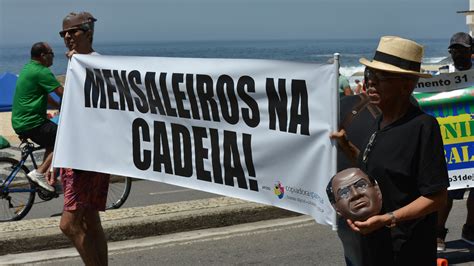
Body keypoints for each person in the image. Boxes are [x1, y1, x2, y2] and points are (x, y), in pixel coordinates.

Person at [332, 36, 449, 265]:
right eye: (369, 75)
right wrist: (346, 147)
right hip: (374, 245)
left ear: (407, 85)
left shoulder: (422, 126)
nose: (370, 83)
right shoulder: (379, 123)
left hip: (407, 250)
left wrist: (388, 219)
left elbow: (437, 197)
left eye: (380, 77)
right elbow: (376, 169)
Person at [57, 11, 110, 266]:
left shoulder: (94, 64)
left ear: (88, 33)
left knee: (68, 224)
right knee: (91, 221)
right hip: (79, 153)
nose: (68, 37)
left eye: (74, 31)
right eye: (64, 33)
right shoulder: (76, 64)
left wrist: (79, 64)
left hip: (86, 156)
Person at [436, 32, 474, 251]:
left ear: (471, 51)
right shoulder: (443, 74)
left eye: (462, 49)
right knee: (446, 192)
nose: (457, 53)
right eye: (454, 50)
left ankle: (470, 229)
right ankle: (438, 233)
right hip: (450, 143)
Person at [11, 42, 63, 192]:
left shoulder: (28, 68)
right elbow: (63, 93)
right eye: (51, 53)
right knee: (63, 139)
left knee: (51, 140)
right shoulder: (42, 72)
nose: (53, 57)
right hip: (32, 122)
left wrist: (57, 106)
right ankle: (39, 173)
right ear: (43, 56)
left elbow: (45, 95)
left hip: (21, 121)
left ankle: (46, 179)